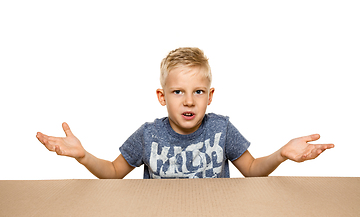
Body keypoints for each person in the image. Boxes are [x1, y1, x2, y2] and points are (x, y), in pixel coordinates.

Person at [36, 47, 334, 179]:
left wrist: (282, 154)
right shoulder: (148, 134)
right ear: (162, 97)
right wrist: (83, 155)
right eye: (178, 92)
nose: (189, 101)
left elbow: (253, 170)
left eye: (198, 92)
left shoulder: (222, 129)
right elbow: (113, 174)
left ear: (210, 96)